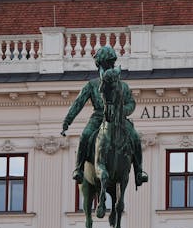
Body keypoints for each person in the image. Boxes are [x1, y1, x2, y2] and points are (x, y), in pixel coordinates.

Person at [61, 45, 148, 187]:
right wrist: (67, 121)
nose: (109, 65)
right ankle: (79, 169)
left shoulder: (123, 86)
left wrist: (122, 111)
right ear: (100, 64)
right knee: (85, 136)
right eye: (106, 62)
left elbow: (131, 103)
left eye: (110, 62)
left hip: (119, 119)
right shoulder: (92, 85)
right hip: (98, 117)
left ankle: (139, 171)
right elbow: (78, 103)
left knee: (135, 138)